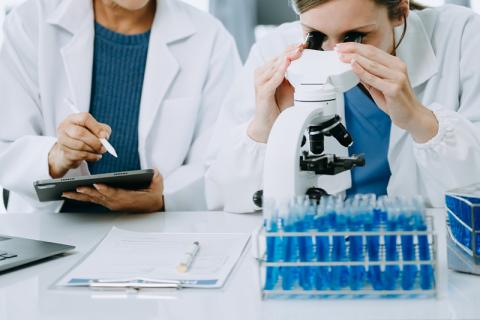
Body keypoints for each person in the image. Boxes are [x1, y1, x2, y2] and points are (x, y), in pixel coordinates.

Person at [205, 0, 480, 213]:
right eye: (315, 36)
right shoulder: (273, 50)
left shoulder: (463, 38)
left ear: (400, 11)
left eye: (355, 37)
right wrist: (266, 127)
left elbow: (473, 193)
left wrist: (419, 119)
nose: (335, 54)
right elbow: (221, 195)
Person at [0, 0, 241, 213]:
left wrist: (165, 198)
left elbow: (220, 160)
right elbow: (6, 147)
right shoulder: (29, 24)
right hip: (50, 233)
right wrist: (56, 156)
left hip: (159, 232)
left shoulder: (210, 38)